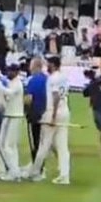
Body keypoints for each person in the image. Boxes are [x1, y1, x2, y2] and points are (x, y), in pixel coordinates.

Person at [28, 56, 71, 185]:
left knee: (44, 144)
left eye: (49, 64)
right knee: (62, 146)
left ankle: (35, 171)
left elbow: (56, 96)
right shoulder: (64, 77)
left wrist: (52, 116)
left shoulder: (52, 78)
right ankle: (64, 175)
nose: (47, 66)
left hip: (53, 112)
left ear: (53, 65)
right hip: (64, 112)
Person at [0, 64, 25, 180]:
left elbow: (8, 93)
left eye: (11, 71)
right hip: (9, 115)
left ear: (16, 72)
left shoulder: (18, 83)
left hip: (15, 116)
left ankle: (14, 172)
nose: (8, 73)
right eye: (8, 71)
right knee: (6, 145)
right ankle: (15, 170)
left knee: (8, 145)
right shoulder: (11, 82)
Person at [23, 57, 47, 175]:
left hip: (35, 114)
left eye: (31, 66)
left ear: (36, 67)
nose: (30, 68)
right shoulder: (47, 79)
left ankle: (37, 167)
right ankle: (39, 165)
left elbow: (29, 99)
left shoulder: (32, 81)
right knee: (43, 141)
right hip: (46, 114)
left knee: (35, 141)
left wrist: (25, 110)